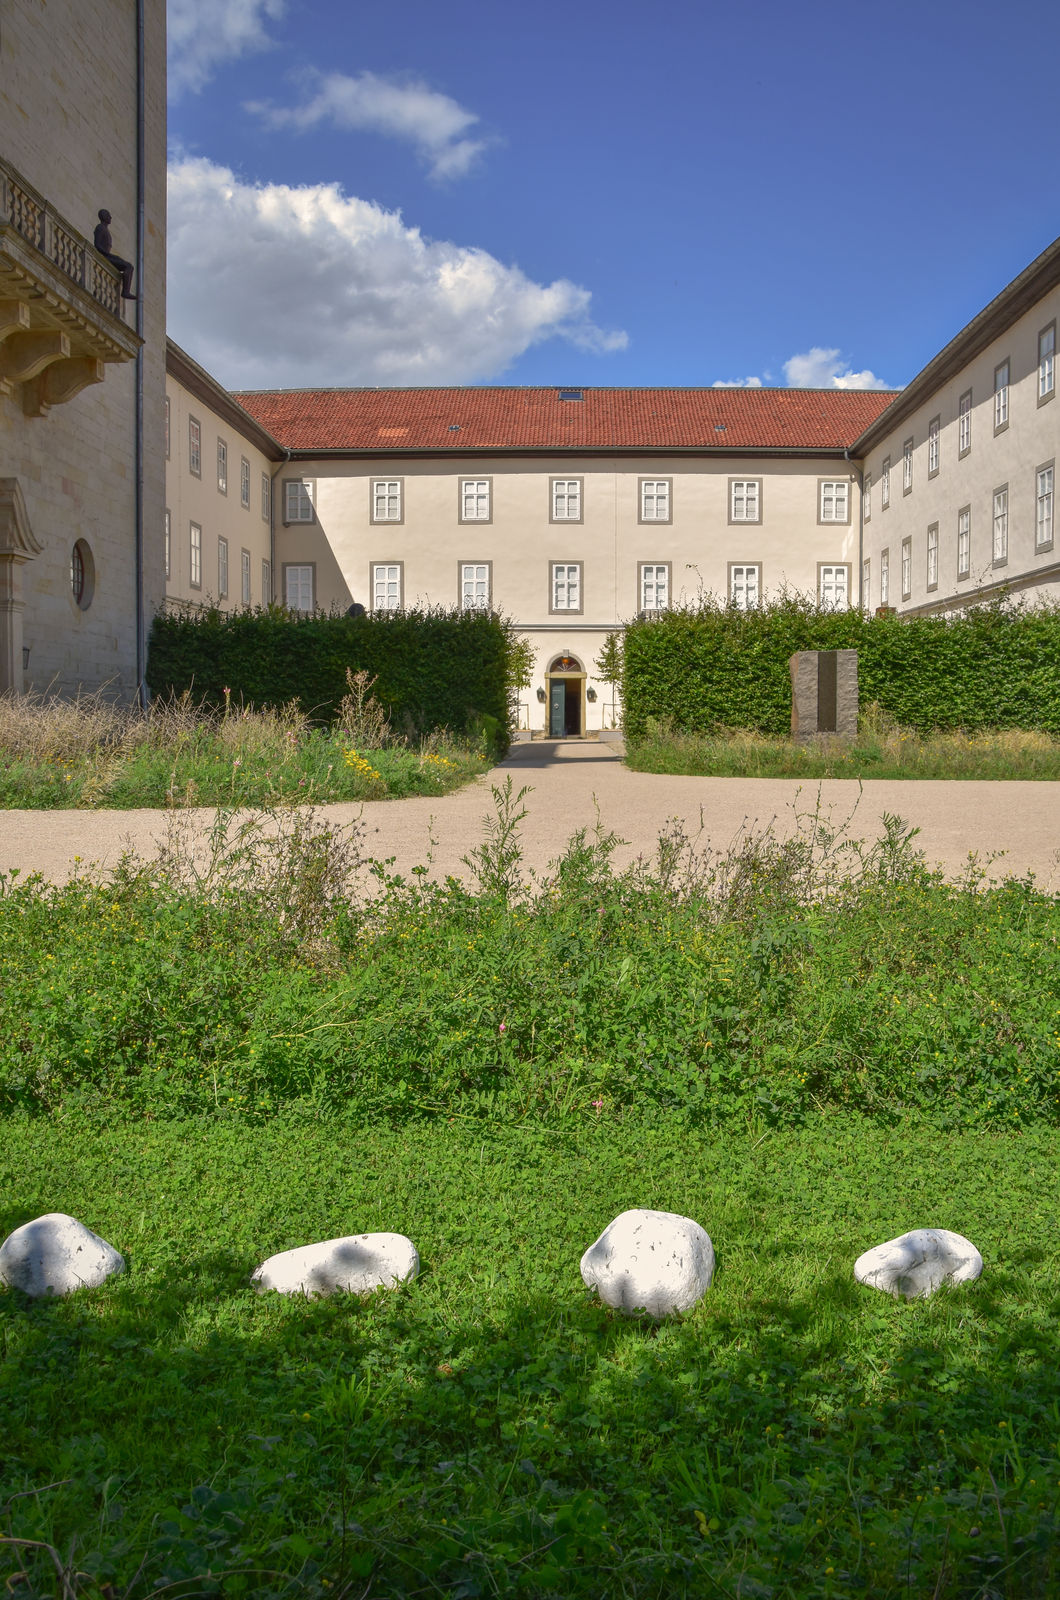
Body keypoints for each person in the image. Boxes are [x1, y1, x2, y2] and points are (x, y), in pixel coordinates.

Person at [92, 210, 136, 299]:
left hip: (107, 255)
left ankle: (125, 288)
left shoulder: (104, 228)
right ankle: (125, 292)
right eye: (108, 215)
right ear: (104, 217)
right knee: (129, 266)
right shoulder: (100, 228)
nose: (110, 217)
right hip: (105, 256)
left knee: (129, 266)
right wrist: (106, 254)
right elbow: (97, 244)